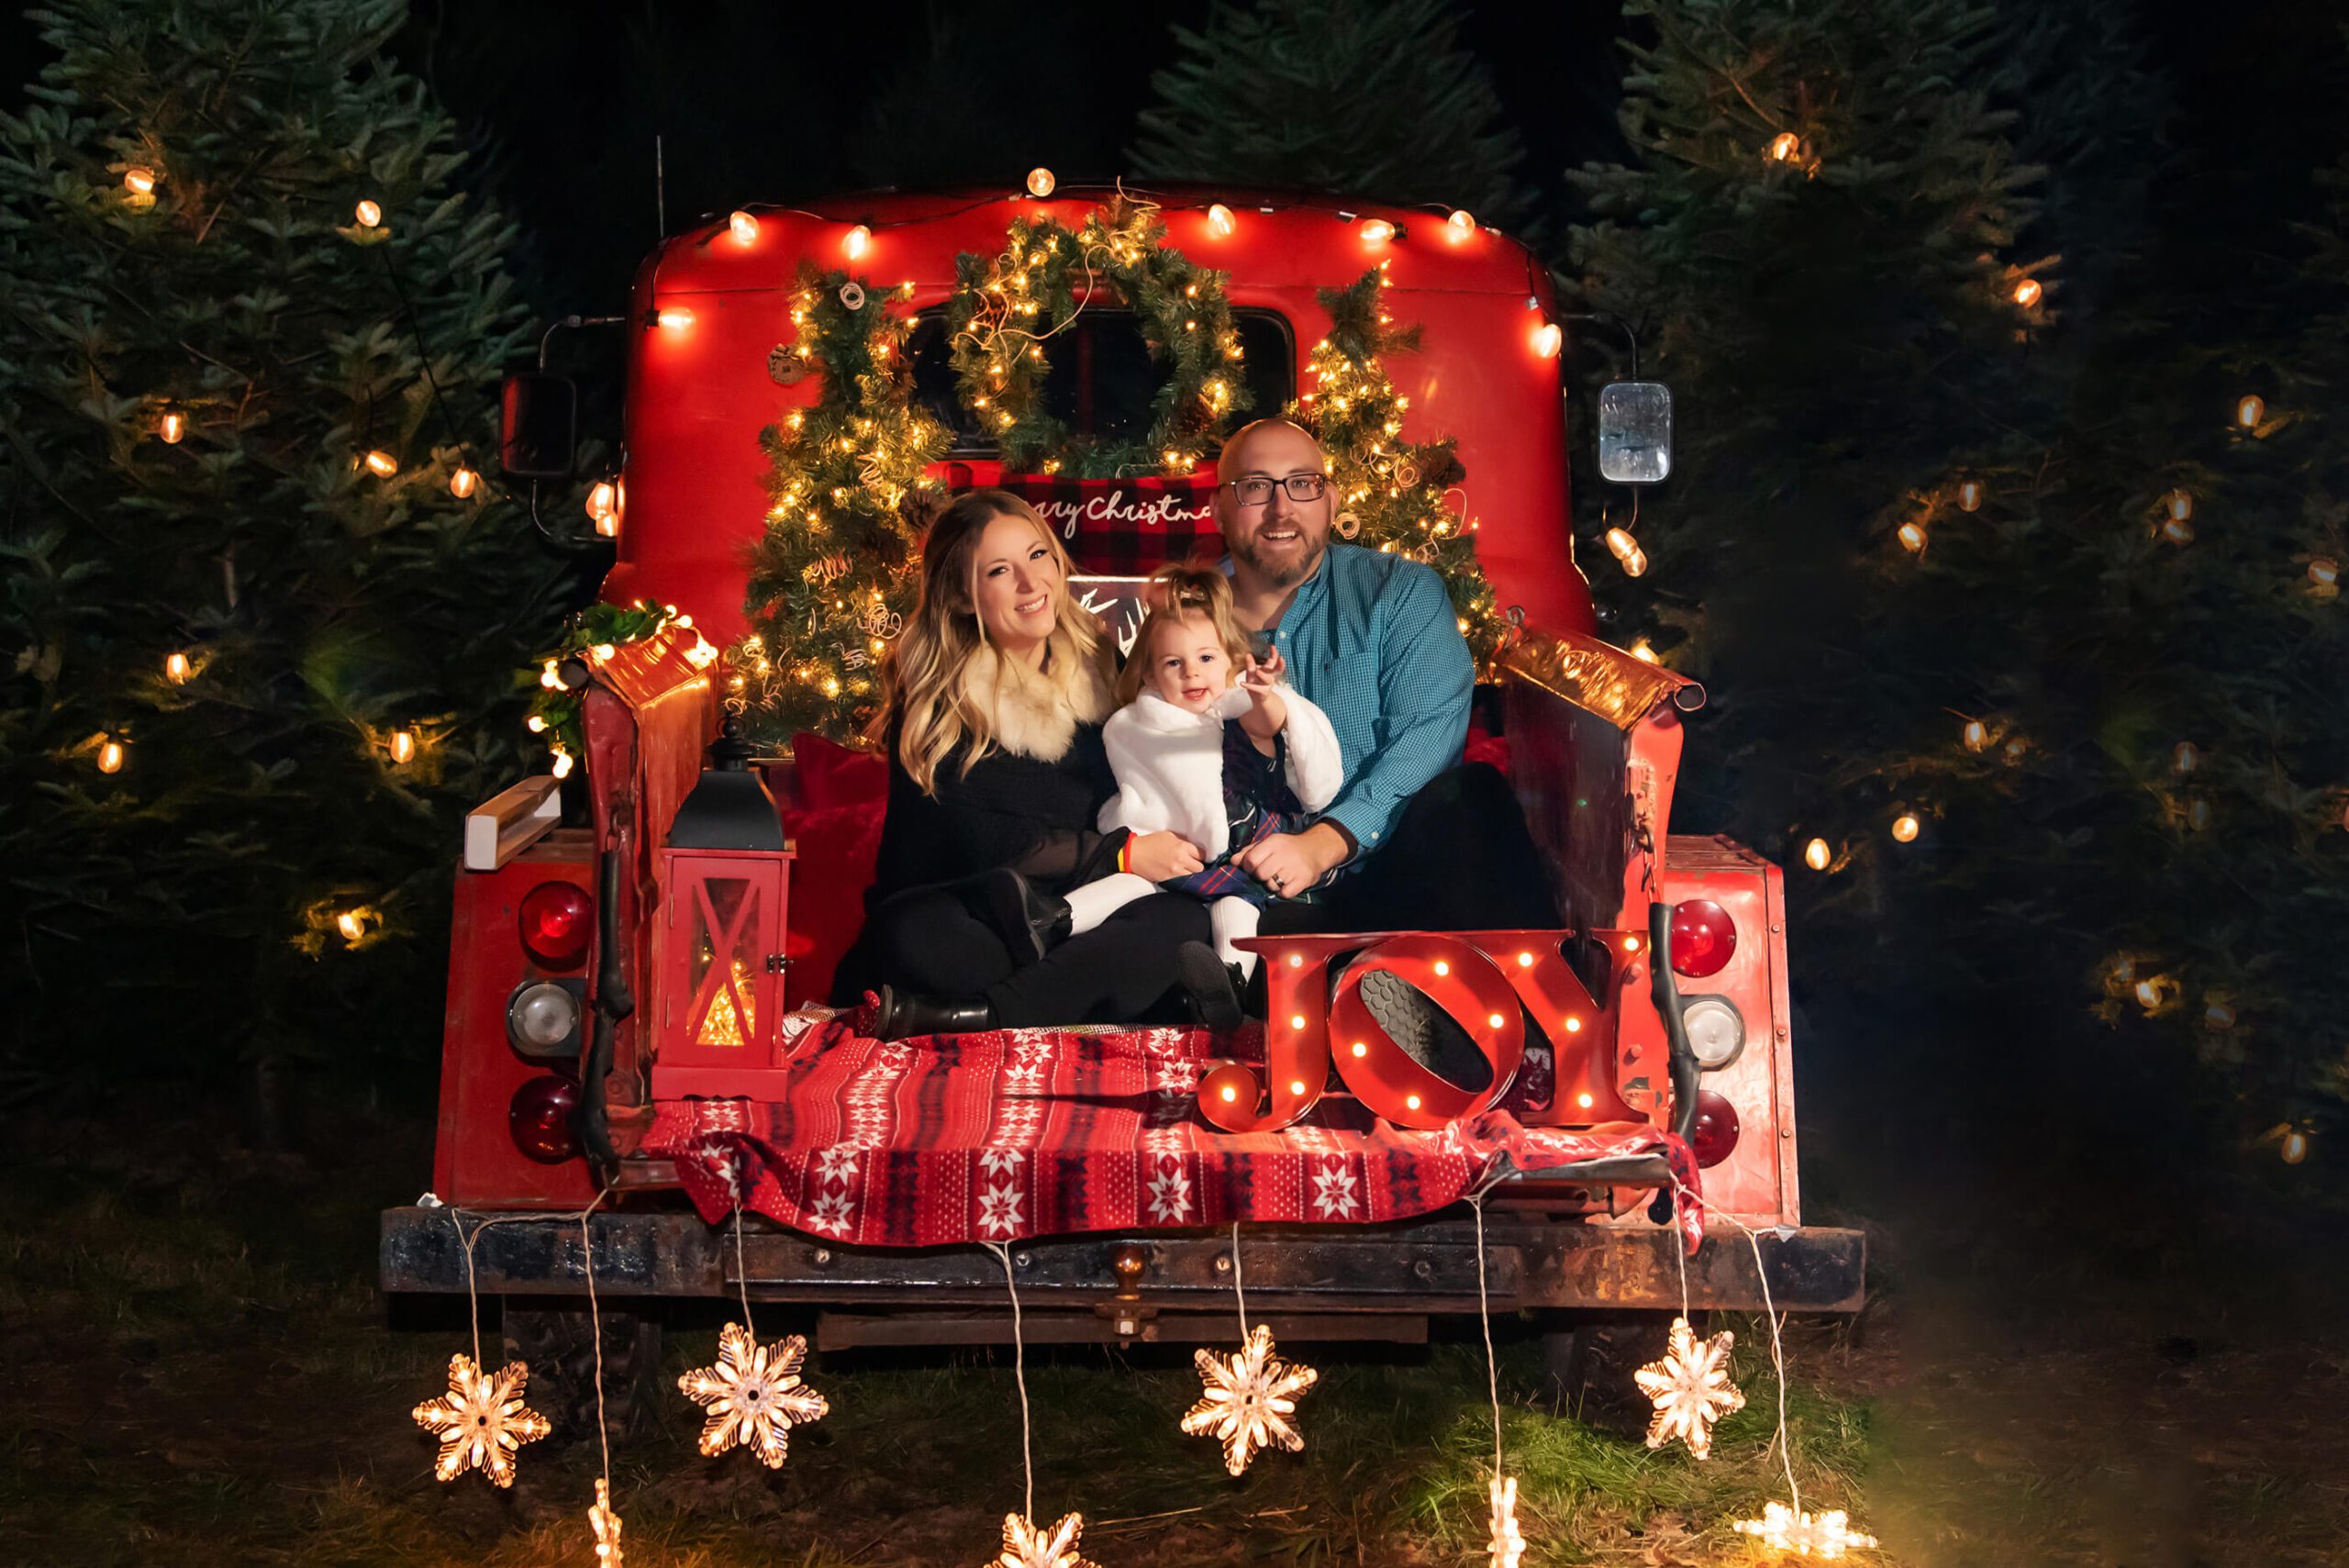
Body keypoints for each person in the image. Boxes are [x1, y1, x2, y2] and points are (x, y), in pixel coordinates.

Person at [836, 490, 1239, 1038]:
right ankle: (1075, 993)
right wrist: (1122, 851)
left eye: (1039, 556)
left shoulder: (1101, 666)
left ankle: (988, 1014)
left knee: (1186, 922)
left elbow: (1165, 758)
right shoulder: (937, 695)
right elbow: (979, 841)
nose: (1032, 584)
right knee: (921, 939)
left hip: (1077, 907)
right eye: (1001, 570)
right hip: (964, 904)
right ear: (960, 596)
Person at [1209, 416, 1559, 940]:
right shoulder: (1182, 617)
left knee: (1472, 796)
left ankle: (1498, 1008)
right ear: (1218, 507)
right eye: (1256, 487)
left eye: (1302, 485)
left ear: (1329, 501)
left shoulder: (1397, 593)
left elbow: (1426, 739)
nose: (1281, 509)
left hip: (1385, 877)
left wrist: (1326, 841)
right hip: (1240, 888)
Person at [984, 563, 1344, 997]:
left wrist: (1262, 696)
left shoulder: (1240, 713)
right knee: (1132, 884)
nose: (1192, 673)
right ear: (1151, 675)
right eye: (1175, 663)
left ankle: (1227, 982)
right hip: (1178, 857)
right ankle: (1050, 918)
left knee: (1236, 907)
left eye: (1206, 659)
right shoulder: (1143, 726)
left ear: (1230, 664)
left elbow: (1270, 725)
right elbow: (1141, 788)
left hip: (1243, 855)